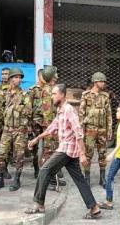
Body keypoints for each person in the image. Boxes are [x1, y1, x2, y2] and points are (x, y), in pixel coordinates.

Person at [25, 84, 101, 220]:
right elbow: (51, 128)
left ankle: (39, 204)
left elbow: (78, 132)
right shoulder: (60, 111)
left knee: (44, 170)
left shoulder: (68, 110)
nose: (52, 96)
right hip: (69, 151)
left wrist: (83, 154)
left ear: (62, 95)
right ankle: (94, 207)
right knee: (80, 180)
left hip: (67, 149)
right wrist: (37, 138)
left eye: (54, 94)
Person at [0, 68, 32, 191]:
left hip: (20, 130)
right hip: (7, 130)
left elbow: (29, 112)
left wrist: (16, 107)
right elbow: (0, 112)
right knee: (1, 155)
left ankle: (16, 180)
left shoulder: (25, 95)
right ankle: (0, 180)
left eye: (20, 77)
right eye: (16, 77)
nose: (19, 79)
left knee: (19, 156)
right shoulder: (4, 94)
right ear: (11, 79)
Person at [79, 72, 113, 188]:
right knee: (88, 154)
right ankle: (86, 177)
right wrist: (81, 130)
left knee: (102, 153)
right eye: (101, 81)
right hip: (90, 129)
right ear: (95, 82)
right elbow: (81, 113)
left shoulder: (105, 96)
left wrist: (109, 129)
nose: (103, 83)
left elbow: (109, 114)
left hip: (102, 129)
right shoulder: (86, 95)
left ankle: (102, 178)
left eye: (104, 81)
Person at [39, 66, 66, 190]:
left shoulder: (51, 89)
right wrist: (52, 127)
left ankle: (52, 177)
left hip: (55, 126)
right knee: (48, 152)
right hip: (51, 127)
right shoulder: (47, 91)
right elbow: (48, 111)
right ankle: (46, 180)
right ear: (51, 76)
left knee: (54, 151)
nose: (57, 76)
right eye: (55, 74)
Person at [28, 68, 45, 178]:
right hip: (36, 122)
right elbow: (28, 108)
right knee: (35, 148)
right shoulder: (33, 90)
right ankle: (36, 169)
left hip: (48, 123)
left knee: (50, 147)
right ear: (39, 77)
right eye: (43, 76)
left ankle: (51, 169)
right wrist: (28, 124)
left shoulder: (51, 90)